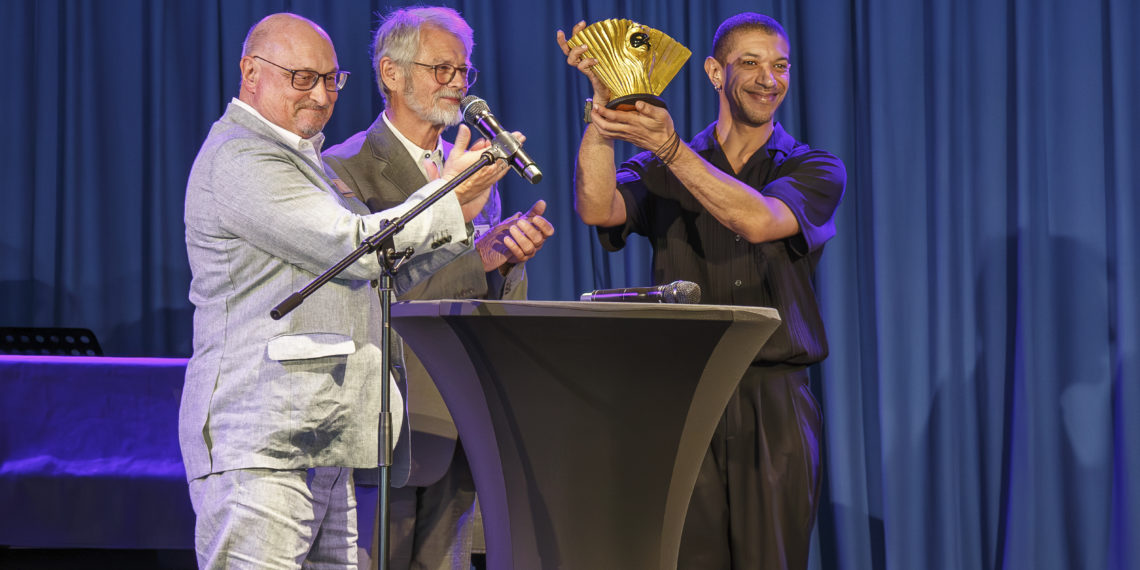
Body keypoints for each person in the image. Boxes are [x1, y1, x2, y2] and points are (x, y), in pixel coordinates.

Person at [179, 13, 500, 569]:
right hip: (265, 441)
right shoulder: (242, 155)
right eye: (303, 78)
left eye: (331, 79)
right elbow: (347, 244)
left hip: (323, 436)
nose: (322, 94)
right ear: (250, 72)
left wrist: (460, 218)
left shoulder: (303, 159)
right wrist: (447, 193)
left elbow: (368, 272)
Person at [558, 12, 846, 570]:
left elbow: (759, 222)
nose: (769, 79)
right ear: (715, 72)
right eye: (750, 64)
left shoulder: (814, 166)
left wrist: (671, 151)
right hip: (684, 395)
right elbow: (597, 207)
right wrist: (602, 118)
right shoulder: (666, 163)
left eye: (780, 65)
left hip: (774, 400)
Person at [324, 7, 554, 569]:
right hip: (394, 418)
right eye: (441, 69)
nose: (457, 83)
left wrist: (506, 259)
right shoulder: (344, 167)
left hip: (466, 413)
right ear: (391, 74)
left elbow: (478, 285)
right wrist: (472, 240)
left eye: (464, 71)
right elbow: (375, 290)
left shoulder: (475, 165)